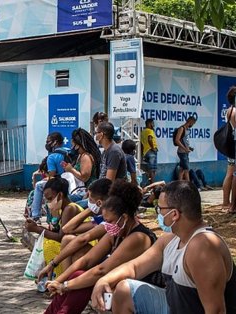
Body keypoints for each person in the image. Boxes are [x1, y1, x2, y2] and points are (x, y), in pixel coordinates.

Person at [91, 181, 236, 314]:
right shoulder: (171, 239)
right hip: (175, 307)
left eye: (159, 208)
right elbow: (134, 267)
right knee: (124, 290)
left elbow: (216, 310)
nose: (158, 213)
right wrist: (104, 281)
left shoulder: (203, 247)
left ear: (174, 214)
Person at [43, 180, 158, 314]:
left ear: (124, 217)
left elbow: (102, 270)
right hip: (114, 283)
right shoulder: (116, 231)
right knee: (77, 274)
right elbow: (86, 260)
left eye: (109, 221)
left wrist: (65, 286)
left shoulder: (138, 238)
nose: (107, 225)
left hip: (137, 290)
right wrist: (58, 281)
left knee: (83, 281)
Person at [36, 178, 112, 278]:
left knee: (75, 254)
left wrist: (53, 263)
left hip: (109, 260)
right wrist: (90, 209)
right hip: (100, 256)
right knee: (68, 240)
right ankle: (64, 283)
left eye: (90, 200)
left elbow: (83, 239)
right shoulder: (99, 219)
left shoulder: (111, 221)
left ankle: (63, 283)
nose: (87, 201)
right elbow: (68, 229)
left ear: (99, 203)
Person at [24, 177, 85, 277]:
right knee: (47, 241)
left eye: (50, 199)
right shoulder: (63, 209)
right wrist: (37, 227)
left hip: (80, 245)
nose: (49, 203)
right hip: (74, 243)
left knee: (50, 245)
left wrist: (36, 229)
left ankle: (59, 276)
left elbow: (60, 237)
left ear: (60, 195)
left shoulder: (70, 208)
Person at [30, 132, 69, 224]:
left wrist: (46, 179)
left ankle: (35, 216)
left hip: (60, 182)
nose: (47, 144)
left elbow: (52, 175)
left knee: (39, 185)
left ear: (55, 142)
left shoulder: (52, 157)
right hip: (71, 180)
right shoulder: (68, 151)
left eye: (48, 141)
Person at [62, 128, 101, 202]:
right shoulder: (81, 155)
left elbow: (84, 178)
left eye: (73, 142)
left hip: (85, 192)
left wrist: (71, 170)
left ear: (78, 144)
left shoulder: (86, 157)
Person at [174, 115, 197, 181]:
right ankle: (188, 186)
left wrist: (189, 147)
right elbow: (177, 140)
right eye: (193, 123)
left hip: (185, 152)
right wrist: (185, 149)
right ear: (190, 121)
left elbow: (183, 141)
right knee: (186, 170)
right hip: (182, 152)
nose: (193, 125)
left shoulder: (186, 130)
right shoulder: (181, 129)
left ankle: (179, 184)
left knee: (182, 170)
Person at [226, 85, 236, 214]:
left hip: (232, 144)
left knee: (231, 174)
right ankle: (232, 205)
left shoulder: (230, 110)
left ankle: (228, 203)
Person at [141, 118, 158, 183]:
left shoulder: (143, 131)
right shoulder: (150, 131)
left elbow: (142, 143)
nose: (153, 125)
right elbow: (150, 139)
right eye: (152, 123)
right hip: (151, 151)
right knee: (152, 170)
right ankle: (153, 185)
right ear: (149, 123)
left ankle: (150, 184)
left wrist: (143, 153)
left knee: (150, 169)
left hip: (146, 151)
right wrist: (153, 148)